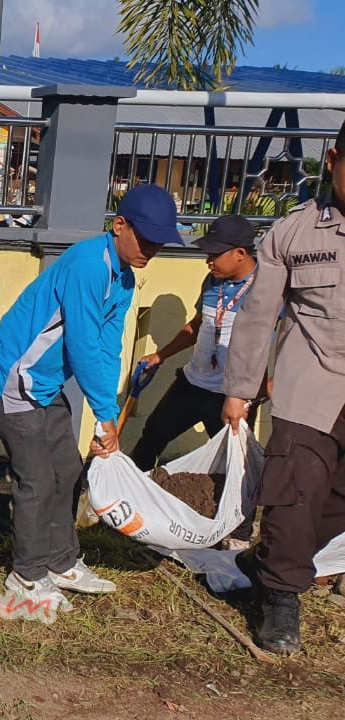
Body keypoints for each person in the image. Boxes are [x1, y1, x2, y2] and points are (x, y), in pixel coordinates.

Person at [0, 184, 183, 611]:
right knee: (36, 478)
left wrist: (103, 418)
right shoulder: (89, 264)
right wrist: (106, 414)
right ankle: (27, 575)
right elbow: (83, 345)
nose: (153, 249)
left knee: (67, 468)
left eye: (160, 243)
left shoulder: (123, 277)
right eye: (146, 239)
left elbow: (108, 349)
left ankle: (61, 561)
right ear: (119, 225)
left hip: (44, 385)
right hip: (11, 380)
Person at [221, 120, 345, 655]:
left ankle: (270, 558)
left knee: (332, 503)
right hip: (311, 380)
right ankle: (280, 599)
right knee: (297, 490)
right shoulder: (293, 233)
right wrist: (239, 389)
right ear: (335, 160)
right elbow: (256, 317)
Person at [128, 215, 266, 549]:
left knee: (237, 465)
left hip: (232, 395)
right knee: (152, 436)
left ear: (239, 254)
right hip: (192, 383)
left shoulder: (267, 289)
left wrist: (267, 387)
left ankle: (238, 537)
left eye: (214, 254)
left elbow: (293, 340)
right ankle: (130, 503)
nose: (207, 260)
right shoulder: (212, 282)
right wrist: (161, 355)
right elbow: (198, 325)